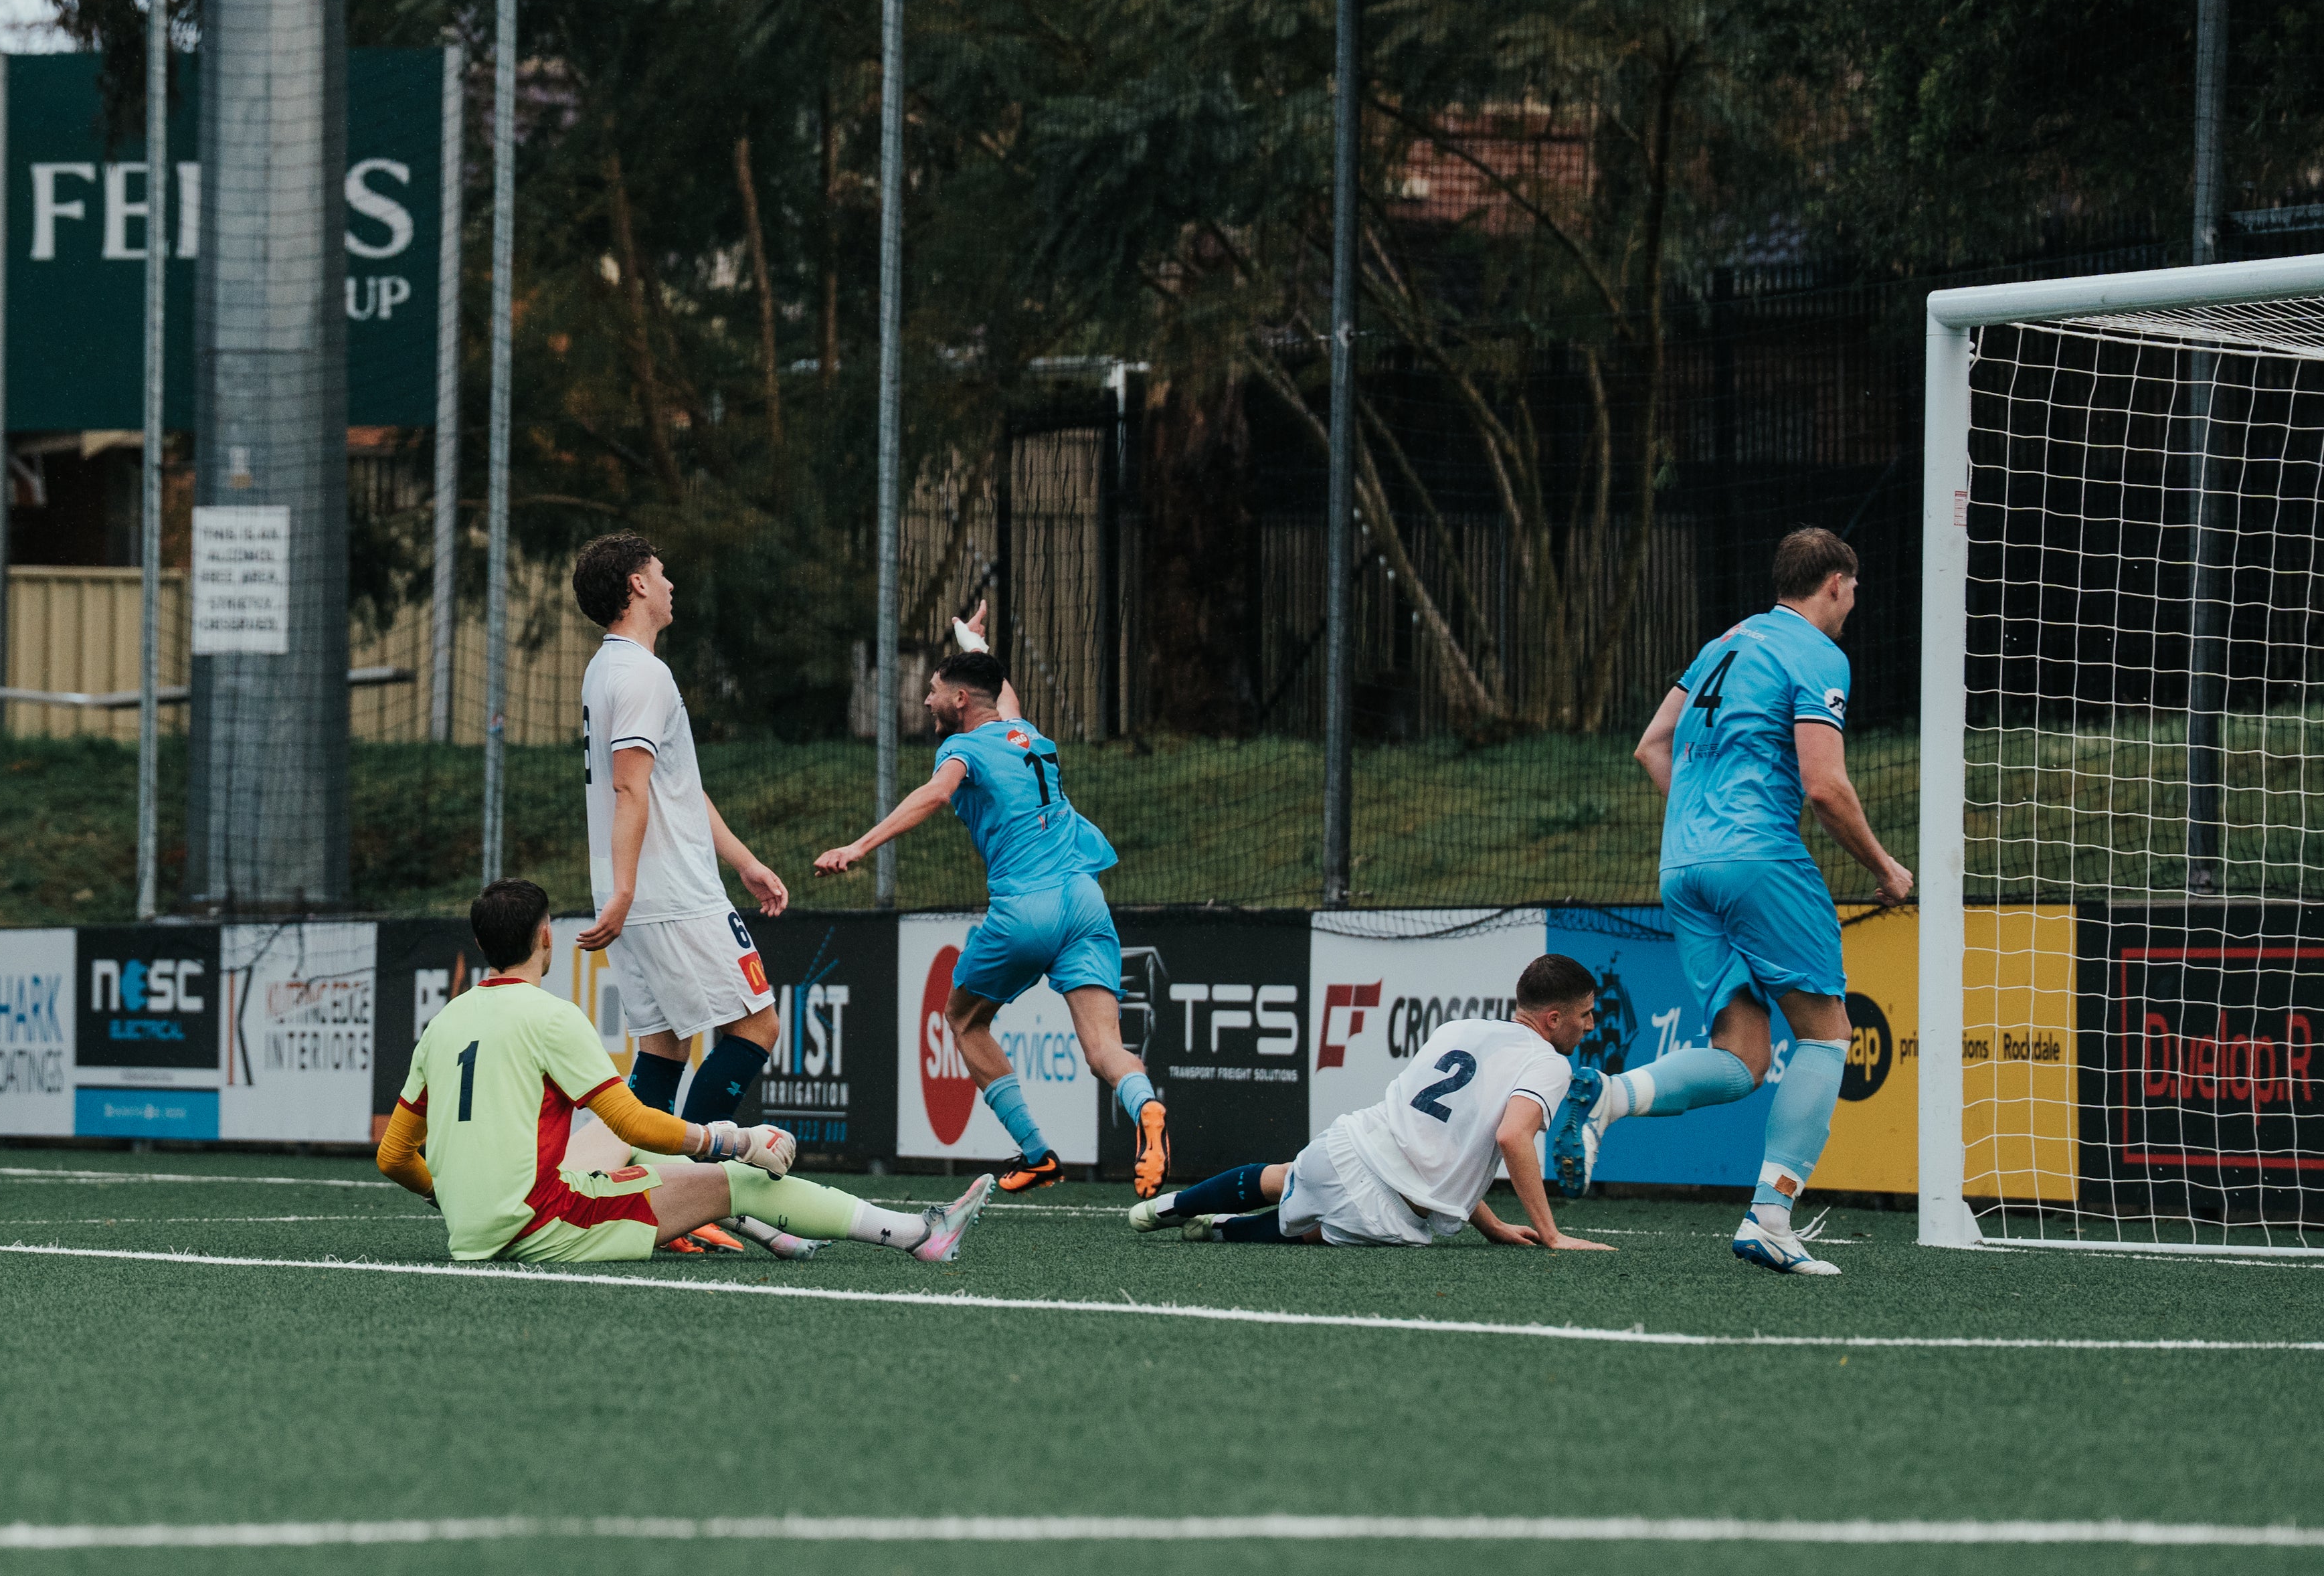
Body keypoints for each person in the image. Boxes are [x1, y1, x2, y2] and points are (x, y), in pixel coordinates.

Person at [1544, 527, 1912, 1276]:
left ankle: (1608, 1096)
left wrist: (1703, 824)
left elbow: (1652, 743)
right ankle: (1772, 1216)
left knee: (1742, 1056)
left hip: (1684, 865)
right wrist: (1886, 866)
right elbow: (1824, 786)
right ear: (1836, 584)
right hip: (1759, 858)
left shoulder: (1723, 644)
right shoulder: (1818, 653)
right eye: (1853, 592)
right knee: (1826, 1035)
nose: (1852, 606)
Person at [375, 878, 991, 1265]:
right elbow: (637, 1121)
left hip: (476, 1226)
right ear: (546, 939)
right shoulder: (552, 1018)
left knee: (623, 1147)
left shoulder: (445, 1021)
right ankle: (919, 1234)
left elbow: (394, 1156)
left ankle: (769, 1231)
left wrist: (452, 1195)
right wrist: (737, 1139)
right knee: (733, 1176)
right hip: (543, 1225)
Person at [814, 603, 1169, 1199]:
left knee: (963, 1017)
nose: (925, 701)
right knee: (1105, 1048)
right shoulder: (1024, 734)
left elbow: (932, 796)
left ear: (958, 702)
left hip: (1025, 910)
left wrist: (859, 845)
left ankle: (1037, 1153)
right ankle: (1148, 1110)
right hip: (1084, 900)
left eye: (932, 691)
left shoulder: (963, 752)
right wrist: (969, 641)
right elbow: (1003, 696)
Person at [573, 532, 791, 1252]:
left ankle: (638, 1202)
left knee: (663, 1049)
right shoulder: (642, 675)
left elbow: (674, 789)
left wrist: (744, 861)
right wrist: (633, 889)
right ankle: (696, 1198)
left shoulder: (608, 672)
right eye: (662, 573)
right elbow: (632, 787)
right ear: (636, 585)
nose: (672, 585)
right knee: (758, 1025)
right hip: (668, 896)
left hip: (642, 893)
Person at [1125, 954, 1614, 1253]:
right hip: (1385, 1209)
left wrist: (1491, 1225)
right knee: (1308, 1234)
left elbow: (1435, 1145)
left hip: (1343, 1145)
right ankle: (1221, 1231)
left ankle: (1170, 1205)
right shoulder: (1550, 1064)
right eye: (1585, 1014)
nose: (1590, 1026)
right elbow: (1511, 1137)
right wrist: (1550, 1234)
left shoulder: (1457, 1029)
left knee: (1285, 1175)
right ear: (1552, 1019)